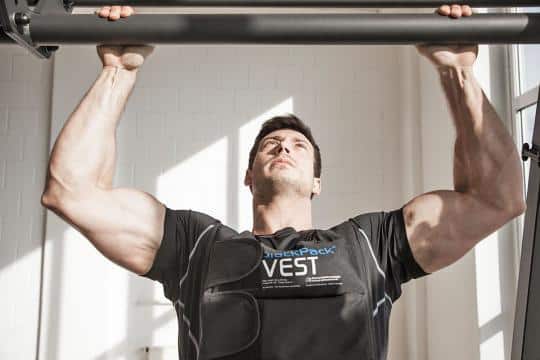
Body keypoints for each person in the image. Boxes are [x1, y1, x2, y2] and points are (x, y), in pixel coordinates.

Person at [40, 4, 526, 360]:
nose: (283, 146)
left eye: (298, 145)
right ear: (248, 176)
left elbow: (496, 199)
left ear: (317, 182)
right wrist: (117, 71)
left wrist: (459, 74)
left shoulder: (370, 245)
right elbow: (72, 190)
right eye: (269, 145)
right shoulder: (195, 248)